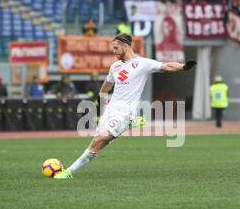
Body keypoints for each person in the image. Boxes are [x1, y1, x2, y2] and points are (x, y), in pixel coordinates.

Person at [54, 33, 197, 179]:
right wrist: (100, 96)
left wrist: (183, 67)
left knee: (98, 140)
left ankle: (69, 172)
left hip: (125, 113)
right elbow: (108, 83)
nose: (114, 51)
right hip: (110, 110)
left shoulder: (142, 63)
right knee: (98, 141)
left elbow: (165, 66)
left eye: (116, 48)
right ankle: (131, 124)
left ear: (126, 46)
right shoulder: (115, 66)